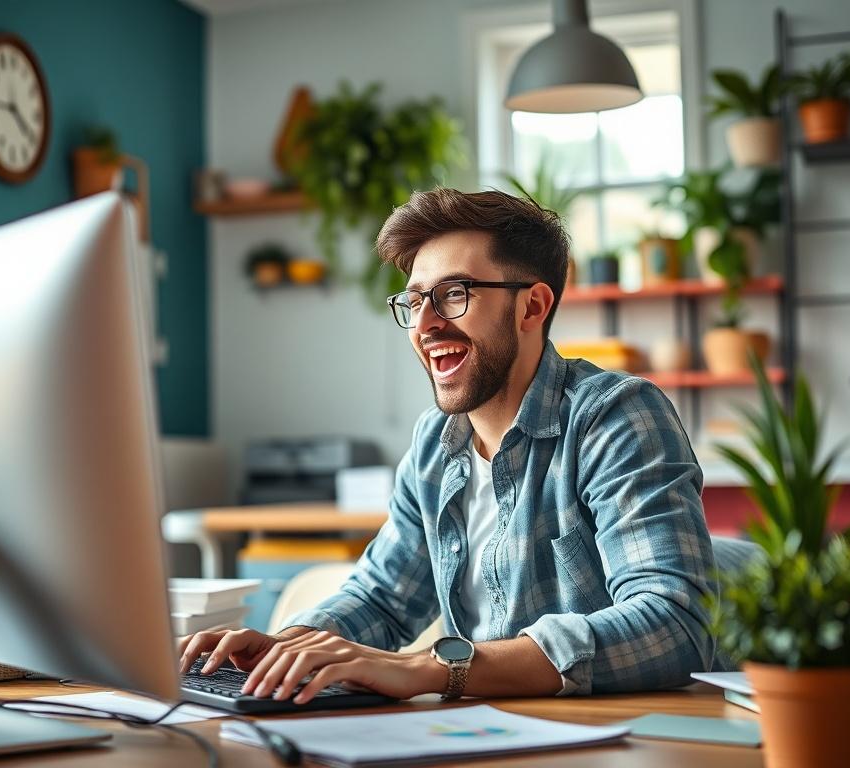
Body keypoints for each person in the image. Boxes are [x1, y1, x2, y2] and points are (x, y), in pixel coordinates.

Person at [179, 188, 718, 704]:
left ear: (532, 307)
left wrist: (432, 667)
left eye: (453, 295)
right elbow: (382, 599)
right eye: (414, 301)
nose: (426, 324)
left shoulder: (615, 417)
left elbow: (674, 624)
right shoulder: (434, 444)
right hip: (485, 732)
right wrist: (291, 649)